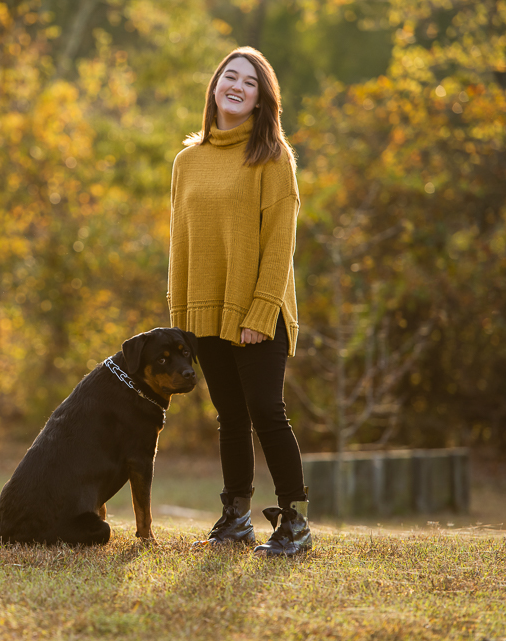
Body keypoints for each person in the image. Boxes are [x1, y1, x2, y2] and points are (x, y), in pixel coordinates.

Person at [167, 46, 311, 556]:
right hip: (205, 311)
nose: (236, 86)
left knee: (267, 412)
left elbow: (280, 244)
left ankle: (295, 521)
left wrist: (260, 309)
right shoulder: (188, 160)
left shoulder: (273, 158)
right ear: (214, 87)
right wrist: (180, 316)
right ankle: (236, 518)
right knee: (229, 415)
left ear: (260, 100)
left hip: (258, 311)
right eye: (229, 76)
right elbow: (180, 242)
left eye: (249, 82)